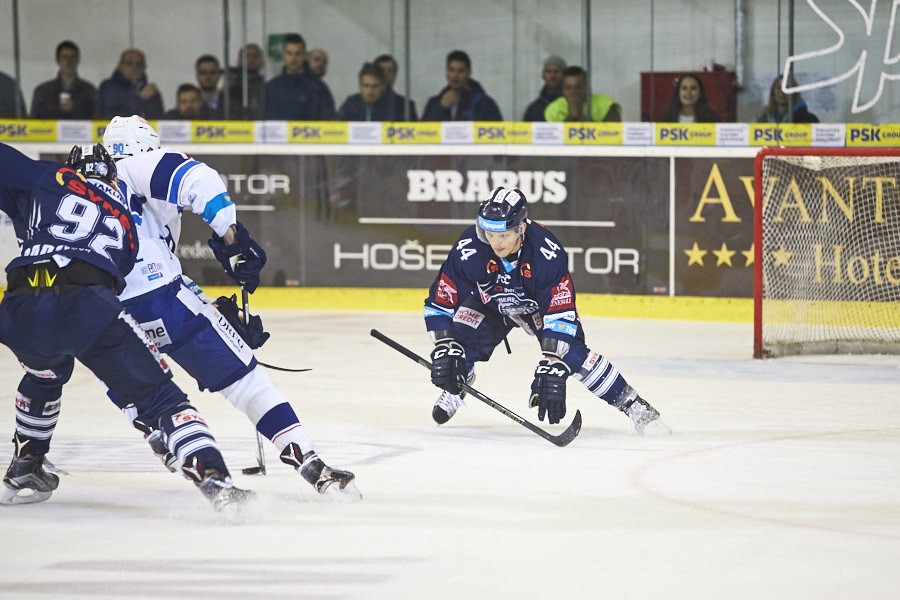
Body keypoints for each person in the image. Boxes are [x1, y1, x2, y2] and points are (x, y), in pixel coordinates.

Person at [100, 115, 360, 499]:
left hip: (98, 306)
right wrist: (231, 238)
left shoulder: (76, 184)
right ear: (145, 148)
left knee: (140, 388)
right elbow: (198, 179)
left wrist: (208, 307)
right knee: (246, 381)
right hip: (161, 297)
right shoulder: (137, 164)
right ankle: (308, 461)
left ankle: (157, 432)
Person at [0, 141, 253, 511]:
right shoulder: (122, 217)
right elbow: (112, 279)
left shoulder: (49, 178)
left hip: (18, 308)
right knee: (161, 397)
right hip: (85, 305)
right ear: (113, 178)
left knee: (45, 374)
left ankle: (26, 463)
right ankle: (215, 479)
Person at [423, 187, 670, 436]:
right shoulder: (469, 248)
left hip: (537, 309)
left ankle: (637, 408)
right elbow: (440, 300)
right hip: (489, 305)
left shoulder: (546, 252)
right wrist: (444, 344)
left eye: (503, 235)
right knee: (456, 349)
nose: (495, 243)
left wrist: (552, 361)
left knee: (573, 355)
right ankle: (458, 383)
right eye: (488, 234)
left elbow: (559, 312)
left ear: (521, 228)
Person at [264, 33, 336, 120]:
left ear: (305, 56)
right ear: (283, 55)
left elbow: (328, 120)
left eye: (298, 54)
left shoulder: (318, 87)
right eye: (289, 53)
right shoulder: (271, 88)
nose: (293, 58)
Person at [422, 50, 502, 121]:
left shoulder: (485, 104)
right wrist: (440, 108)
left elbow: (498, 130)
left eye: (460, 71)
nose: (455, 76)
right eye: (451, 70)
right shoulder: (434, 103)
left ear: (469, 73)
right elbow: (422, 130)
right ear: (447, 73)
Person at [30, 40, 97, 119]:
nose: (69, 61)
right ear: (57, 60)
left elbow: (96, 119)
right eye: (65, 57)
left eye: (73, 57)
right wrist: (56, 108)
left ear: (78, 60)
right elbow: (34, 121)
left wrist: (75, 110)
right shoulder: (43, 92)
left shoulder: (89, 92)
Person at [97, 49, 164, 119]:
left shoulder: (149, 89)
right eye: (129, 63)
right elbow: (110, 116)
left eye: (138, 64)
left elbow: (159, 118)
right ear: (120, 65)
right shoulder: (109, 87)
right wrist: (140, 99)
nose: (134, 68)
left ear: (144, 67)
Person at [544, 66, 621, 122]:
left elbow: (615, 134)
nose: (573, 93)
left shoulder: (605, 104)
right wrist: (571, 118)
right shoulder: (553, 109)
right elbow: (554, 138)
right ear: (562, 90)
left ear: (587, 88)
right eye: (568, 88)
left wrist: (581, 116)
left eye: (578, 88)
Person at [225, 43, 266, 120]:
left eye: (255, 56)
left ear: (262, 62)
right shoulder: (230, 83)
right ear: (239, 60)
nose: (251, 59)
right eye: (247, 56)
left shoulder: (265, 86)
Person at [373, 53, 418, 120]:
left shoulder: (406, 106)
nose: (385, 74)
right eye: (381, 70)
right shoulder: (359, 103)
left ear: (395, 75)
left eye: (390, 71)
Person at [522, 56, 566, 121]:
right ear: (543, 75)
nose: (552, 76)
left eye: (556, 71)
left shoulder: (572, 106)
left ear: (564, 75)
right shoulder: (533, 110)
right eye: (548, 71)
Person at [195, 54, 224, 119]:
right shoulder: (190, 104)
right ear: (197, 76)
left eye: (212, 73)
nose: (208, 77)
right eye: (203, 73)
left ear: (219, 76)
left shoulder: (230, 102)